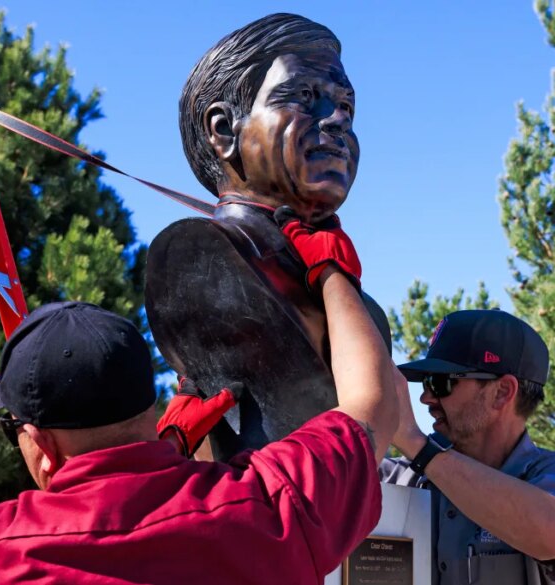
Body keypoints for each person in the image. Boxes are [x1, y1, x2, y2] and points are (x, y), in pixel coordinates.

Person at [0, 219, 399, 584]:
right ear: (152, 407)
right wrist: (332, 271)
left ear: (40, 444)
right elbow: (371, 410)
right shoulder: (264, 509)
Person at [145, 13, 392, 460]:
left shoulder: (360, 307)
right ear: (223, 129)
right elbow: (363, 436)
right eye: (304, 96)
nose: (337, 119)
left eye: (346, 107)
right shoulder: (199, 255)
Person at [380, 309, 555, 585]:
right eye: (427, 382)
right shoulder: (400, 478)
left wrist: (417, 445)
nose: (426, 397)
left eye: (441, 383)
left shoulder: (552, 474)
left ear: (502, 392)